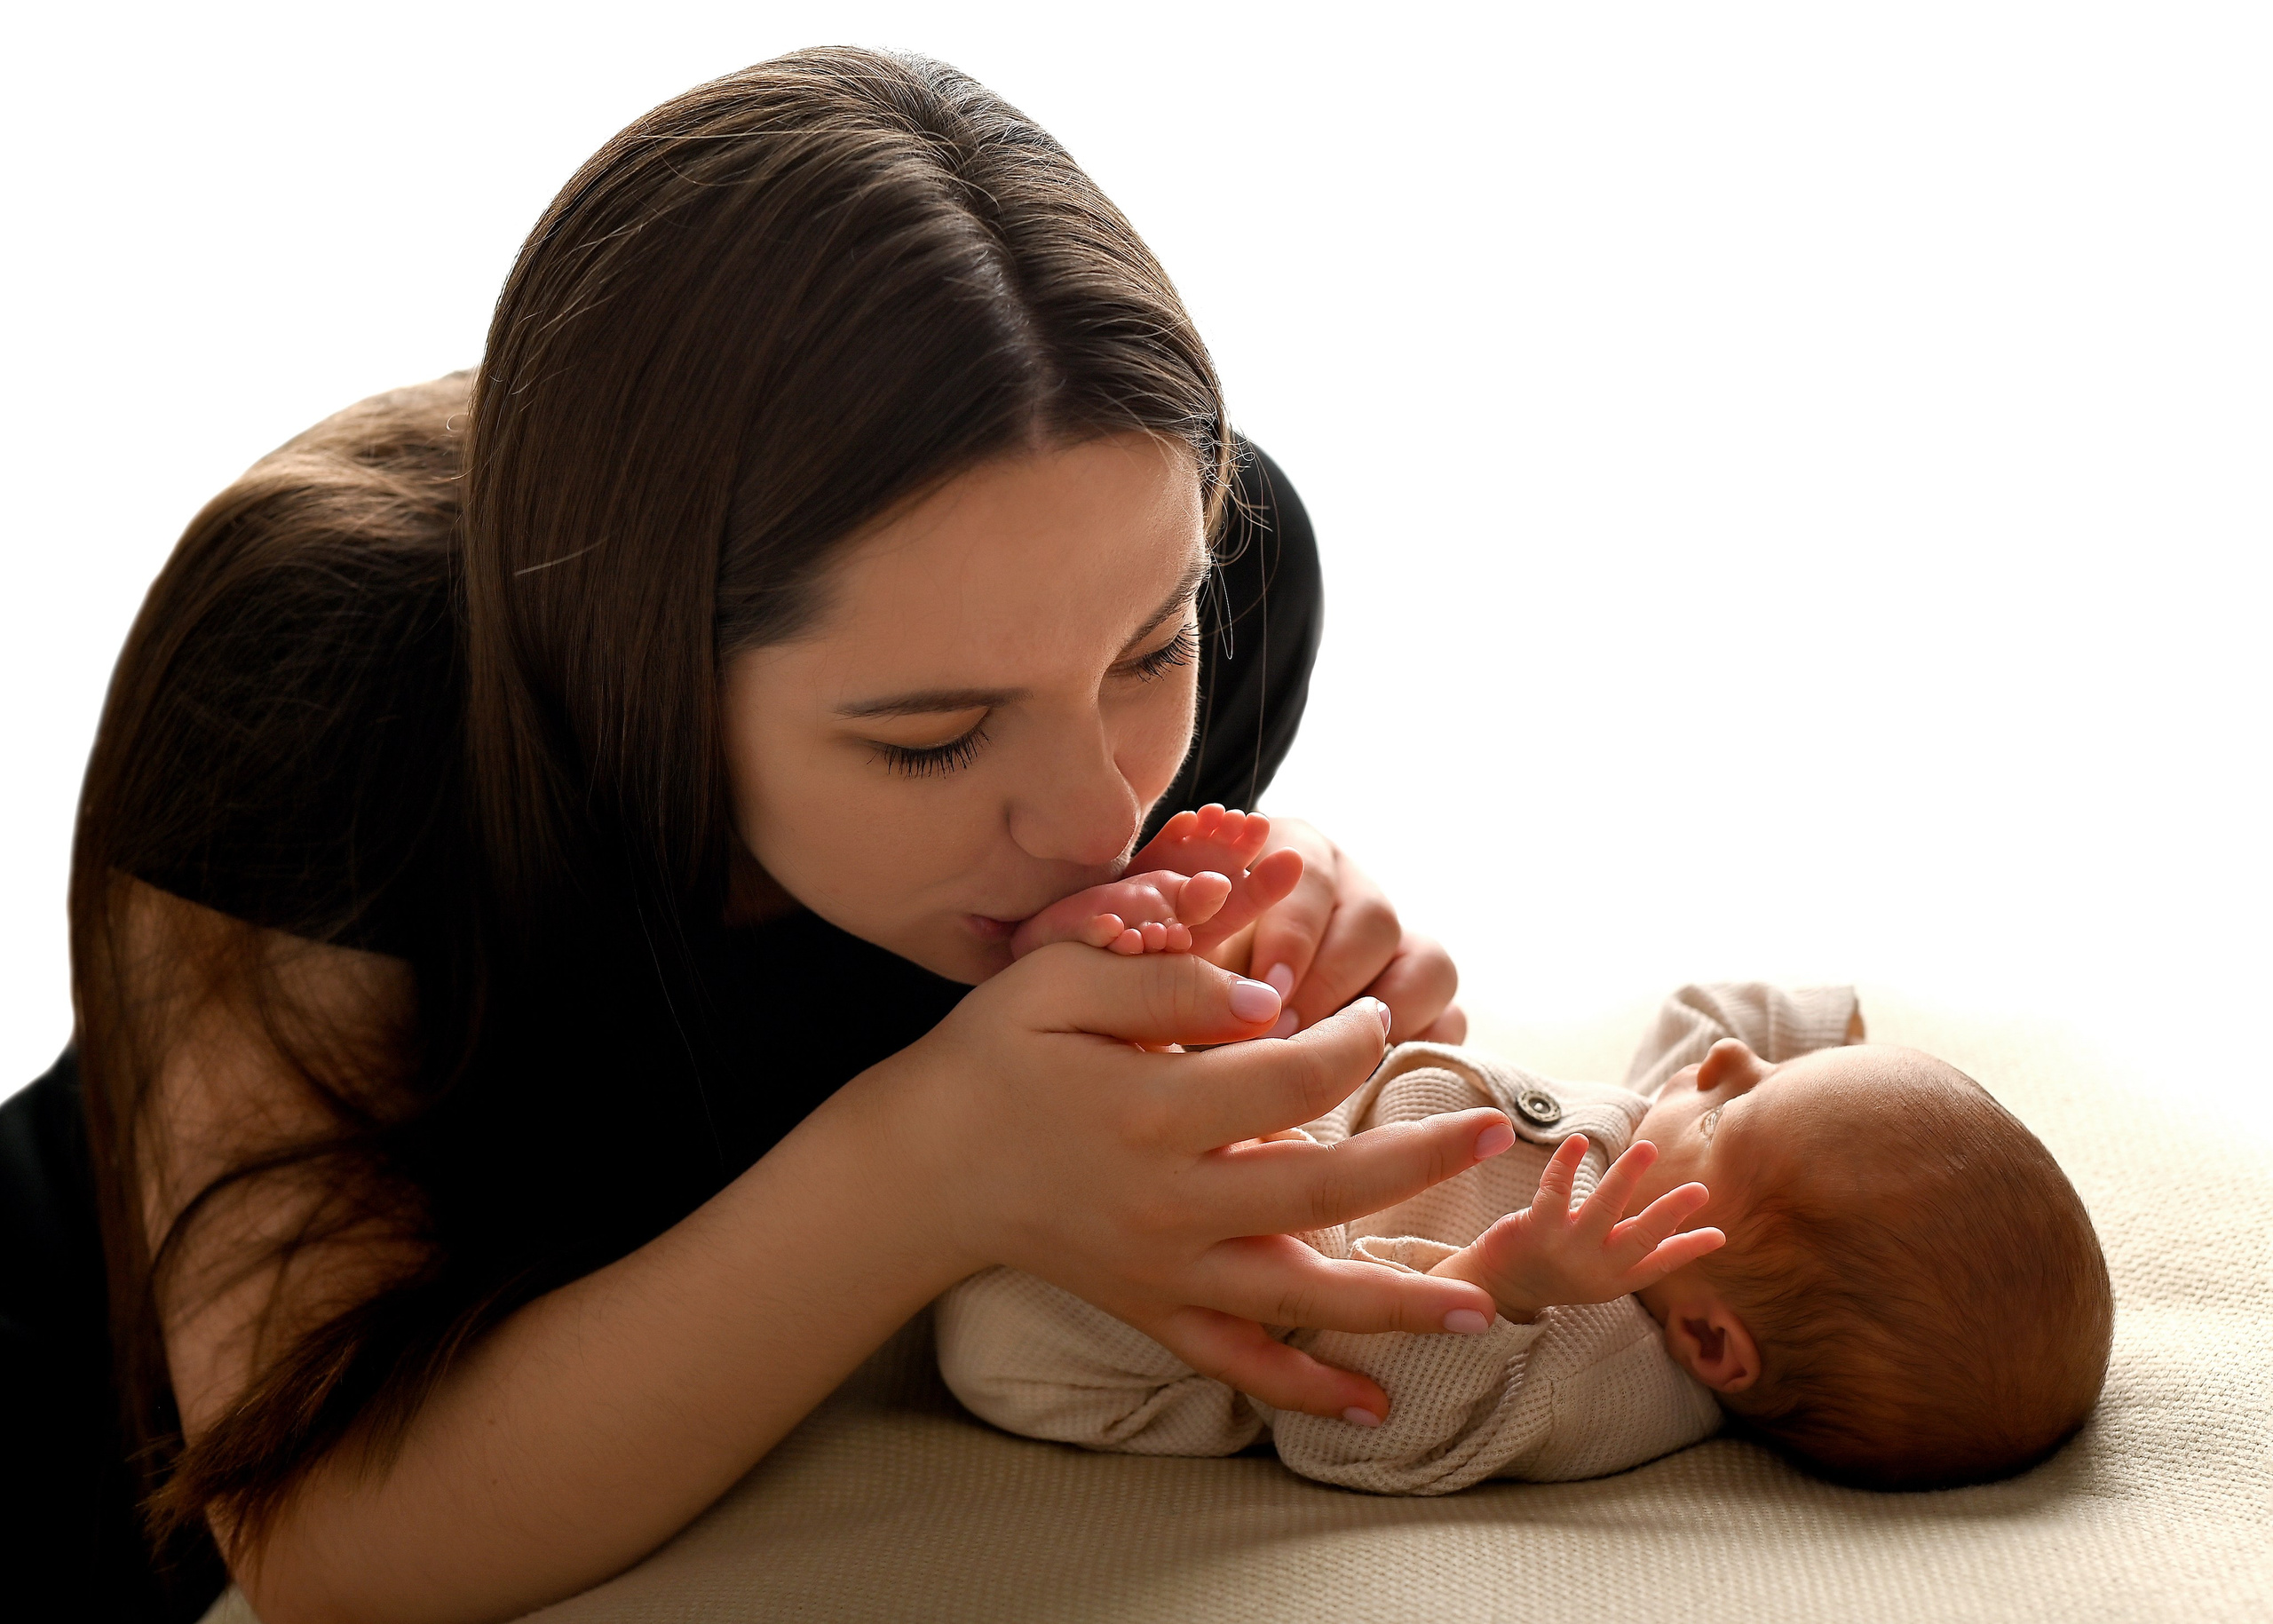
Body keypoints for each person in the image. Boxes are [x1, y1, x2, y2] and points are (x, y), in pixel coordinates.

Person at [0, 48, 1527, 1624]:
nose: (1098, 813)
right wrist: (928, 1163)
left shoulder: (1220, 571)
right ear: (641, 665)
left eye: (1150, 651)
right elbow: (322, 1540)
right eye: (933, 736)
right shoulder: (322, 667)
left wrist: (1243, 921)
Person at [939, 983, 2116, 1493]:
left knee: (997, 1315)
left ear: (1713, 1343)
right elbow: (1715, 1026)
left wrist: (1501, 1281)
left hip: (1171, 1320)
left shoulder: (1608, 1383)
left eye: (1738, 1108)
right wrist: (1823, 1056)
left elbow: (1365, 1432)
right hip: (1256, 1143)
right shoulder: (1677, 1186)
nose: (1722, 1066)